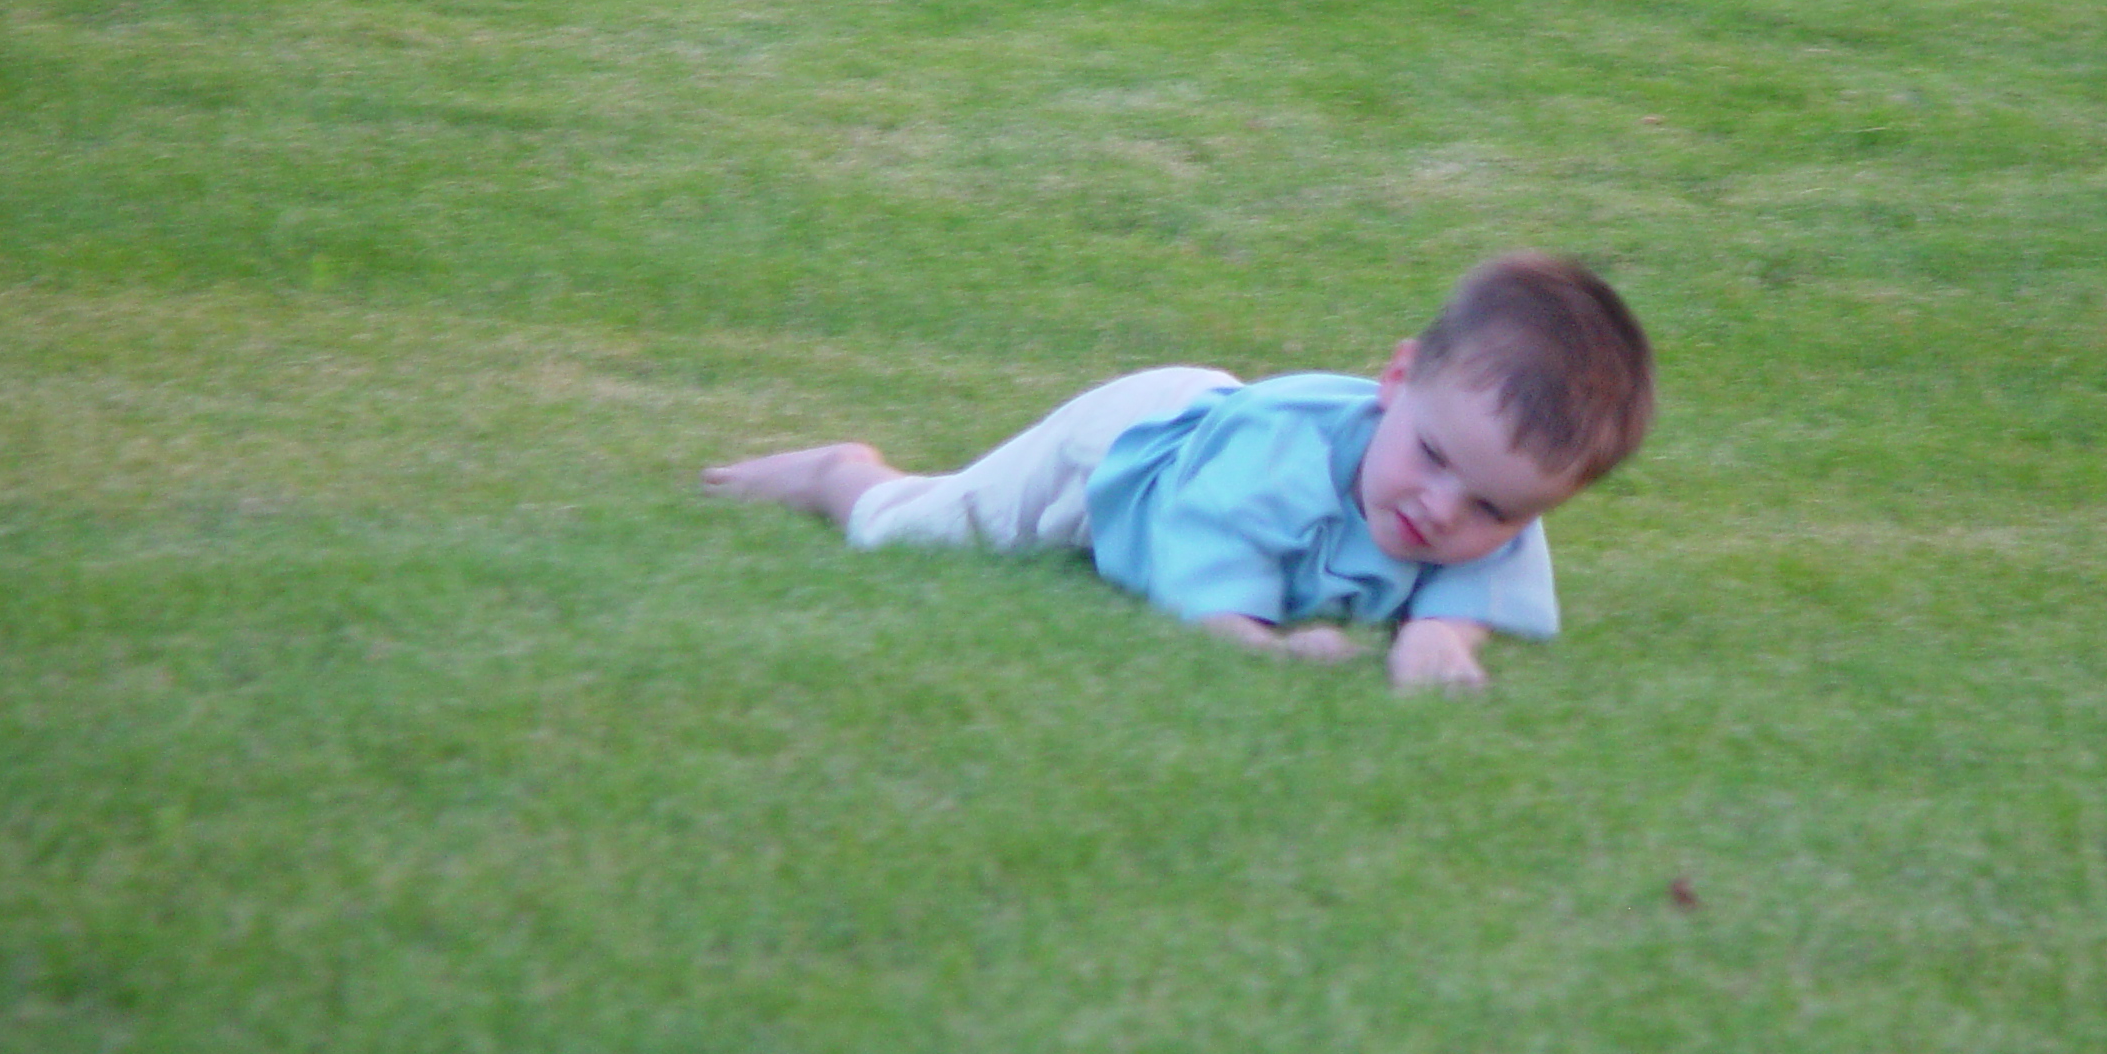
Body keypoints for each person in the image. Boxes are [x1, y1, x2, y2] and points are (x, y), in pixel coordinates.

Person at [702, 253, 1653, 689]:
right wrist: (1264, 645)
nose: (1441, 510)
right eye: (1434, 457)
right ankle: (841, 474)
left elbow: (1481, 575)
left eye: (1493, 505)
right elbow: (1198, 571)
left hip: (1214, 431)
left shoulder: (1489, 505)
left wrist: (1443, 638)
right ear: (1396, 380)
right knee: (930, 531)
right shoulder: (1273, 463)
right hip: (1137, 443)